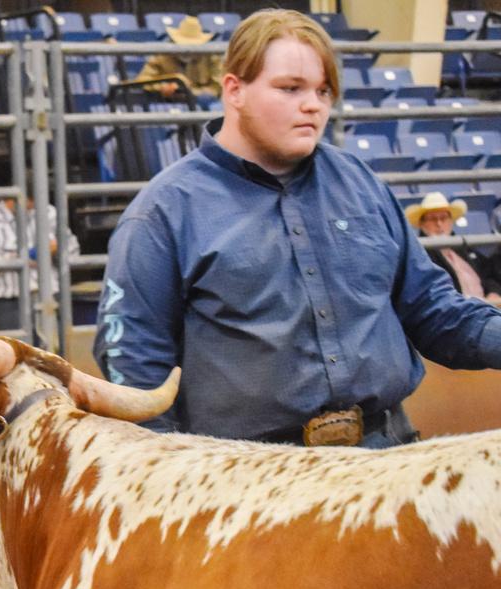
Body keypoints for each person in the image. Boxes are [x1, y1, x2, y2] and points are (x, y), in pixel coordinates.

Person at [93, 9, 501, 448]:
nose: (313, 105)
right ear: (234, 90)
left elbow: (433, 310)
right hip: (250, 471)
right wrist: (168, 470)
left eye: (323, 91)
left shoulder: (361, 184)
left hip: (385, 454)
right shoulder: (163, 211)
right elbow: (135, 361)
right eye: (290, 88)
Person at [0, 188, 80, 331]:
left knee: (55, 344)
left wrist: (57, 249)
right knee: (10, 345)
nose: (34, 206)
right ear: (14, 197)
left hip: (50, 298)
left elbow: (73, 252)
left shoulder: (49, 212)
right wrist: (19, 258)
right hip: (9, 305)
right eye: (31, 201)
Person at [406, 191, 501, 304]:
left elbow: (488, 275)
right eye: (432, 219)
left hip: (487, 307)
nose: (439, 224)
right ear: (421, 224)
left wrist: (493, 293)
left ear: (451, 221)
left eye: (444, 218)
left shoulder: (464, 249)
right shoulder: (421, 256)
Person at [132, 15, 224, 99]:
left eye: (191, 46)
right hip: (168, 100)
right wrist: (162, 87)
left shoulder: (211, 57)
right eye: (183, 45)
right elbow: (142, 81)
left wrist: (193, 93)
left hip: (199, 99)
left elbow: (218, 86)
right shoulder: (162, 55)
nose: (187, 52)